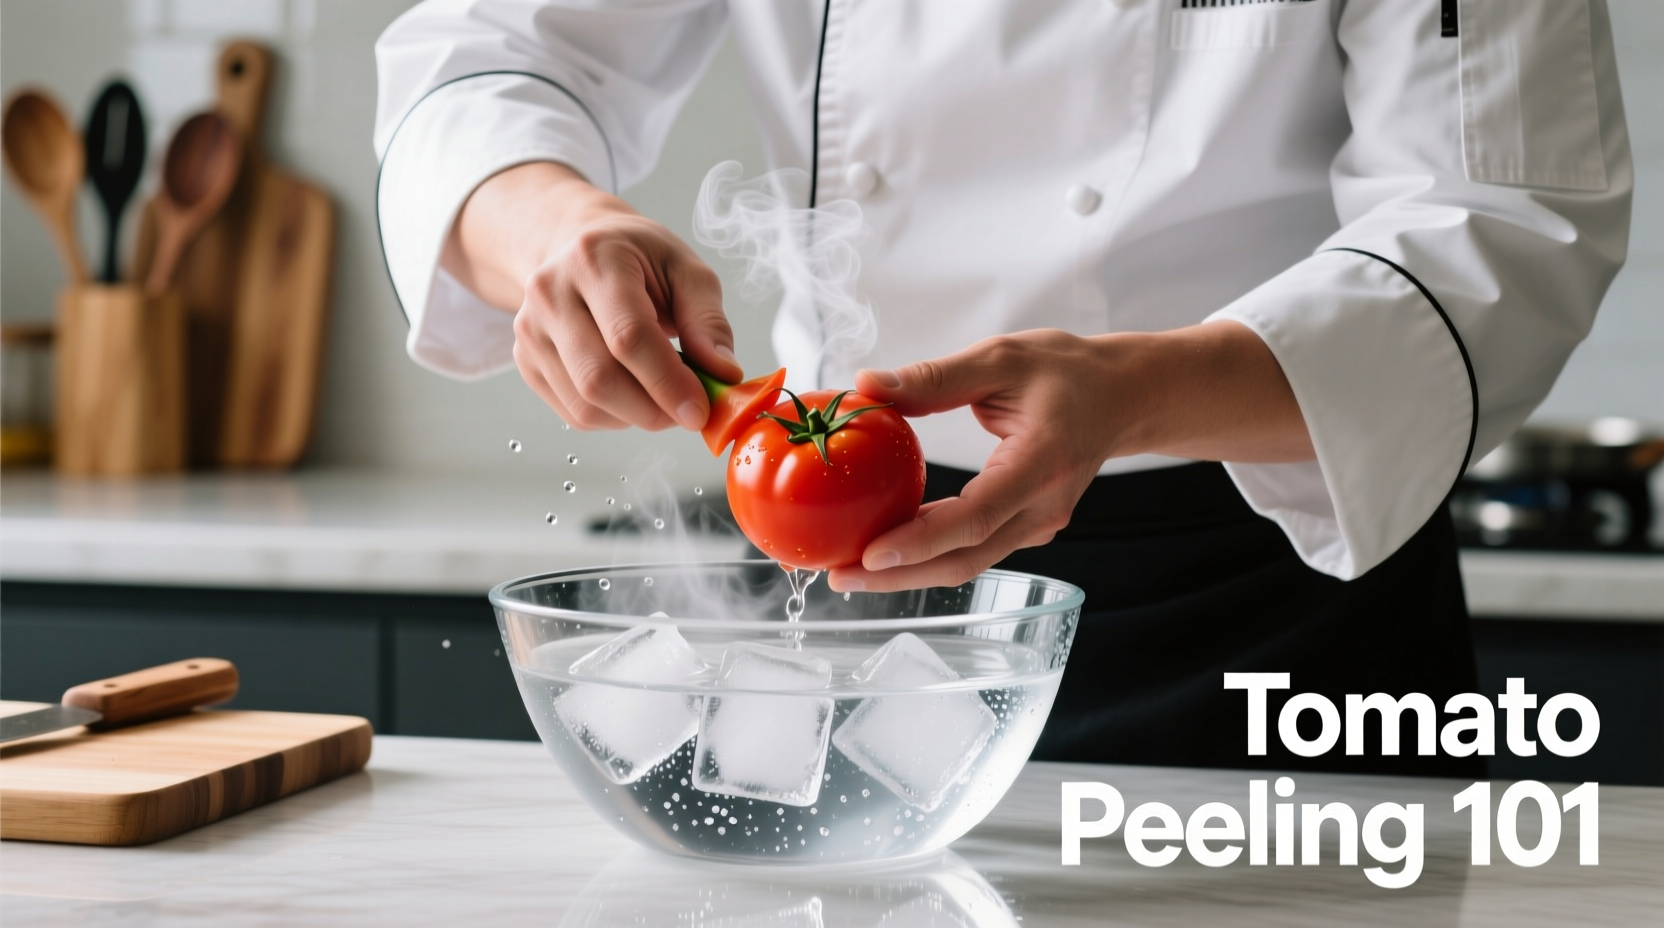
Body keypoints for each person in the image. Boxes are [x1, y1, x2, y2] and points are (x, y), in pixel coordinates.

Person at [374, 0, 1631, 777]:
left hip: (1271, 597)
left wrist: (1133, 391)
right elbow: (484, 57)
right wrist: (552, 228)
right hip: (837, 578)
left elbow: (1502, 219)